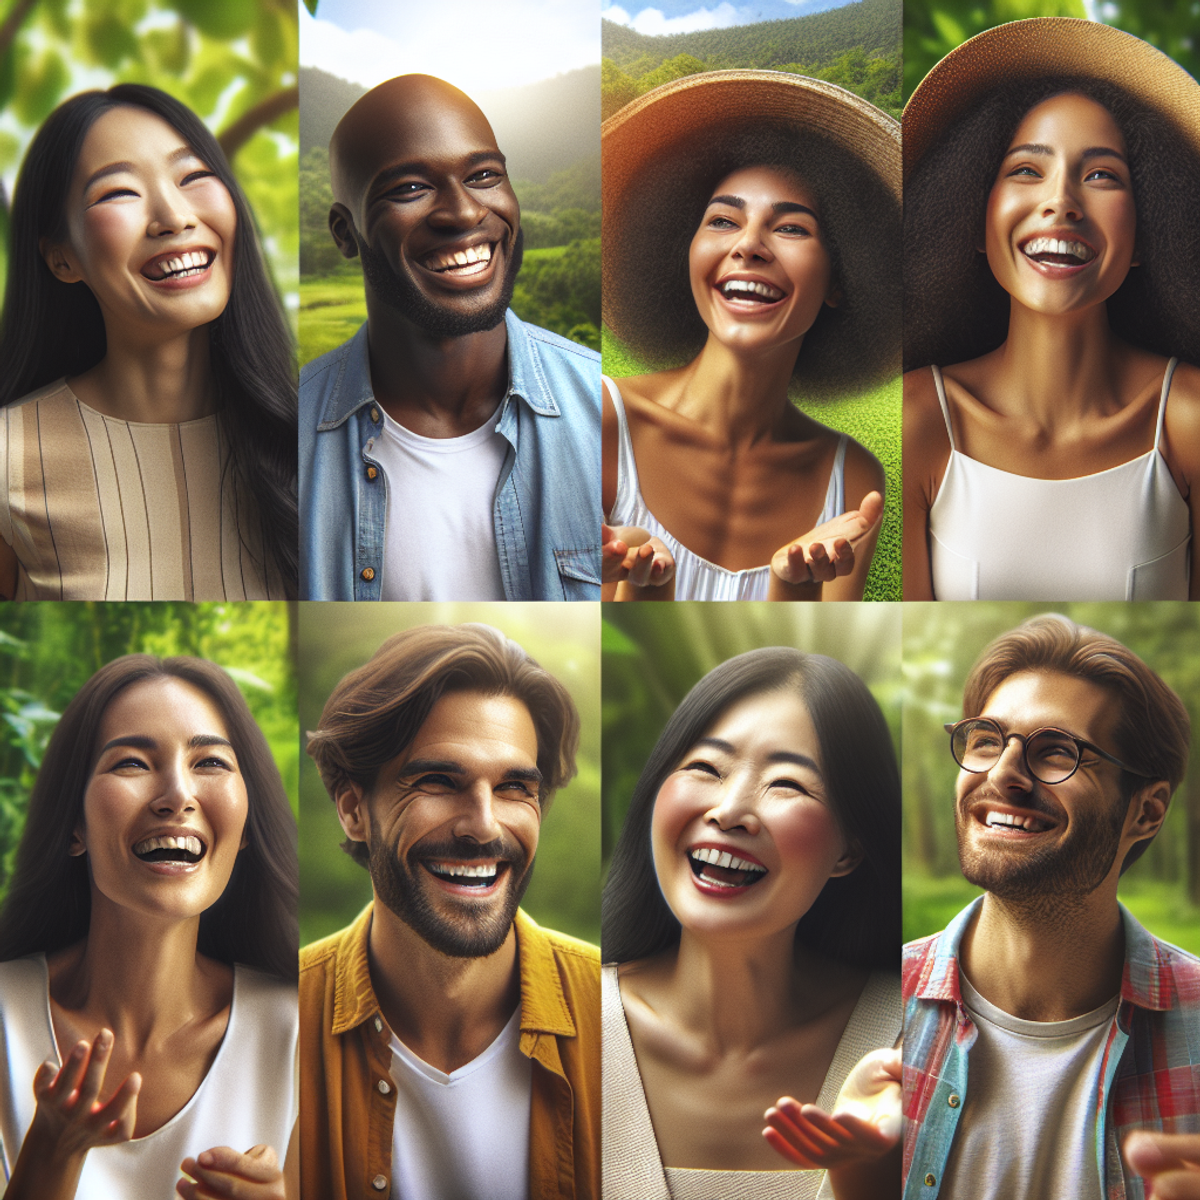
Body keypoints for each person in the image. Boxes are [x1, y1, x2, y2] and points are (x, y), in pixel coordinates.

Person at [902, 18, 1200, 601]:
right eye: (1026, 171)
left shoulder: (1188, 420)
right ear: (973, 214)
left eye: (1100, 176)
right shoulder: (920, 419)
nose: (1060, 202)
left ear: (1147, 234)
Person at [903, 614, 1200, 1198]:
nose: (1004, 773)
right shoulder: (872, 1011)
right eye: (988, 740)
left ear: (1146, 811)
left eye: (1057, 752)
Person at [300, 624, 599, 1199]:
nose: (484, 825)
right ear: (353, 811)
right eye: (438, 780)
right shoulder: (281, 1020)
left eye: (515, 788)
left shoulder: (614, 1018)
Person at [602, 647, 902, 1198]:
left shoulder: (911, 1037)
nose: (729, 810)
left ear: (848, 851)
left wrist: (872, 1178)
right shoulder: (562, 1022)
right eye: (705, 768)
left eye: (787, 784)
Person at [0, 655, 299, 1199]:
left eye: (210, 762)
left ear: (248, 827)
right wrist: (50, 1154)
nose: (177, 796)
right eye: (133, 763)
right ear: (74, 825)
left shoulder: (303, 1032)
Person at [600, 71, 900, 601]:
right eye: (722, 221)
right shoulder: (596, 420)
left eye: (790, 228)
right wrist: (641, 590)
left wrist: (794, 585)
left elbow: (806, 662)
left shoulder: (852, 477)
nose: (749, 245)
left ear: (841, 278)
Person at [299, 74, 601, 602]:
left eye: (484, 175)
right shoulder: (286, 437)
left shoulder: (607, 413)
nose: (464, 213)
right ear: (345, 233)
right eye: (410, 188)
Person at [0, 84, 298, 601]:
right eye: (118, 192)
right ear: (61, 259)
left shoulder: (317, 447)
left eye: (194, 176)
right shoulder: (10, 457)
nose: (175, 217)